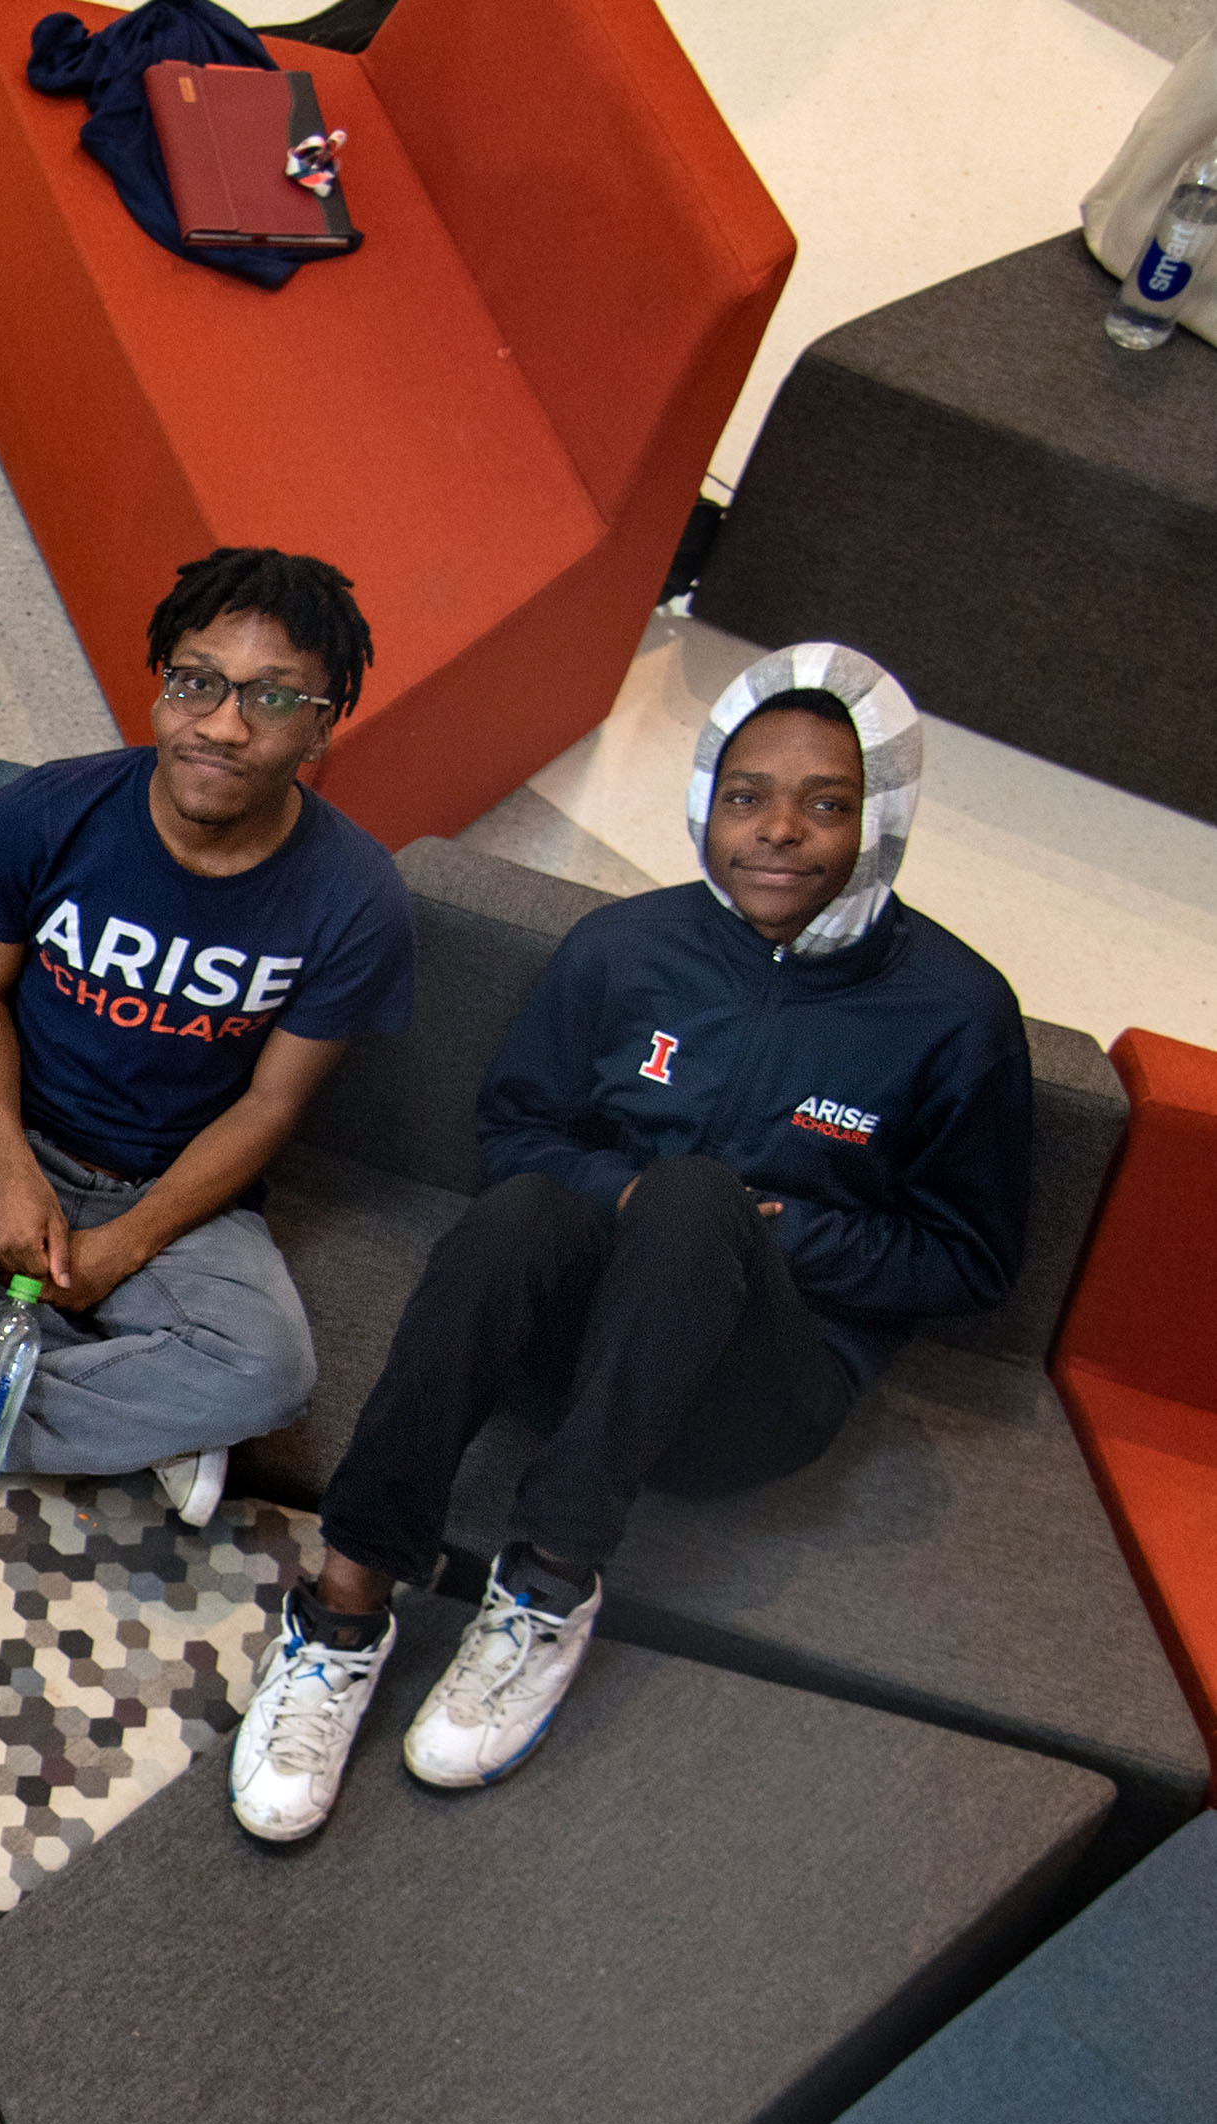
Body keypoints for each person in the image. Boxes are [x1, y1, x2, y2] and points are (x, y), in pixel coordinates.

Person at [232, 645, 1029, 1843]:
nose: (778, 833)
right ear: (707, 797)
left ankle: (548, 1582)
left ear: (885, 820)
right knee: (524, 1216)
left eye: (827, 803)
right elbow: (518, 1131)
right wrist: (633, 1203)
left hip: (753, 1396)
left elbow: (968, 1257)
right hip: (572, 1360)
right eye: (748, 794)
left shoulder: (956, 1015)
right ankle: (346, 1602)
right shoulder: (622, 950)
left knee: (700, 1195)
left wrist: (771, 1231)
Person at [0, 546, 408, 1526]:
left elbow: (274, 1103)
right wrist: (10, 1167)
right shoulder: (47, 813)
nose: (224, 726)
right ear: (159, 689)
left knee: (269, 1375)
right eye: (198, 684)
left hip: (180, 1186)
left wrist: (131, 1239)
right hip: (9, 1137)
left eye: (272, 701)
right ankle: (146, 1418)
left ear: (323, 726)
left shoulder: (357, 898)